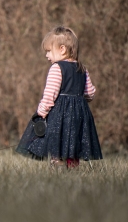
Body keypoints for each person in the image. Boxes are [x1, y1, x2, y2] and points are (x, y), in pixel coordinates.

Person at [27, 26, 102, 169]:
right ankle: (72, 169)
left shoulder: (56, 68)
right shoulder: (82, 69)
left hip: (60, 115)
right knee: (73, 143)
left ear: (62, 49)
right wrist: (78, 99)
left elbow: (50, 95)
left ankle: (58, 166)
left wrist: (41, 113)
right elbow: (90, 93)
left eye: (49, 51)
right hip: (80, 115)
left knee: (58, 142)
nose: (47, 55)